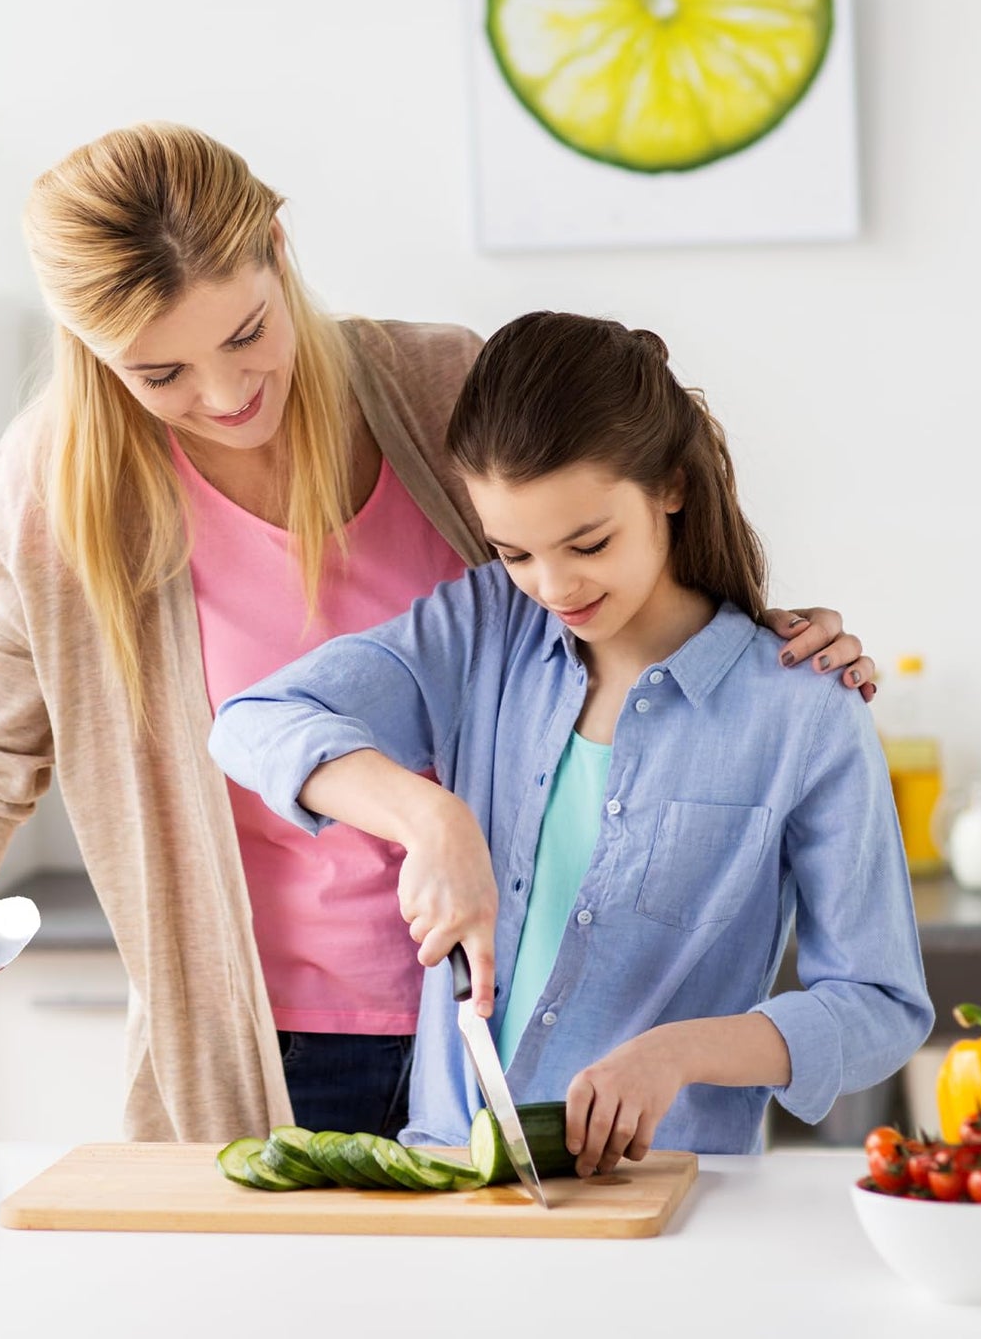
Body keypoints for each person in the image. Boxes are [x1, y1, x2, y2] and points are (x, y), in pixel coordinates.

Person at [0, 128, 875, 1162]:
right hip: (254, 1033)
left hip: (498, 1016)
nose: (222, 396)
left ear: (278, 249)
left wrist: (759, 630)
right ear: (93, 353)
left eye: (244, 333)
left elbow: (604, 527)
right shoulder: (58, 496)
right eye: (159, 372)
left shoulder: (438, 390)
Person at [209, 311, 932, 1172]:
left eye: (588, 542)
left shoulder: (803, 710)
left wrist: (680, 1051)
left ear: (669, 485)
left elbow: (879, 1003)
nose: (553, 586)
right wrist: (427, 816)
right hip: (451, 1176)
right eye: (515, 551)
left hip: (667, 1188)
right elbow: (250, 722)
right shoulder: (482, 626)